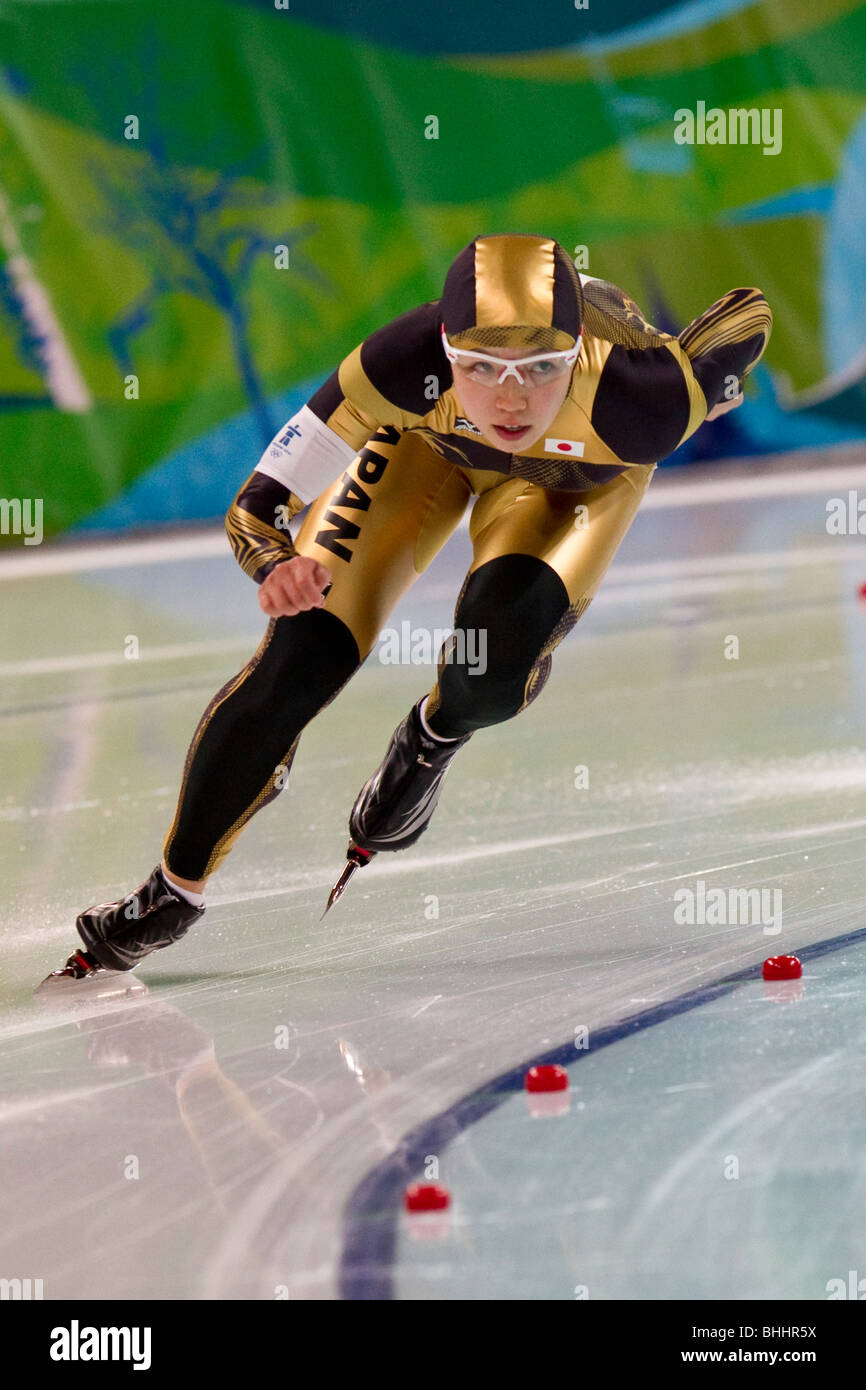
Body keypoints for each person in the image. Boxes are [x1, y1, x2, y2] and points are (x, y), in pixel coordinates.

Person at [40, 233, 772, 985]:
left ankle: (433, 736)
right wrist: (276, 564)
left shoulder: (643, 399)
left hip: (570, 482)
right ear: (444, 348)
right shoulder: (398, 364)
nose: (510, 399)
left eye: (540, 369)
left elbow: (748, 314)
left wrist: (708, 376)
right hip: (425, 448)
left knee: (488, 671)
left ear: (578, 352)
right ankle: (172, 892)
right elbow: (256, 508)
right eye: (480, 367)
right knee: (299, 656)